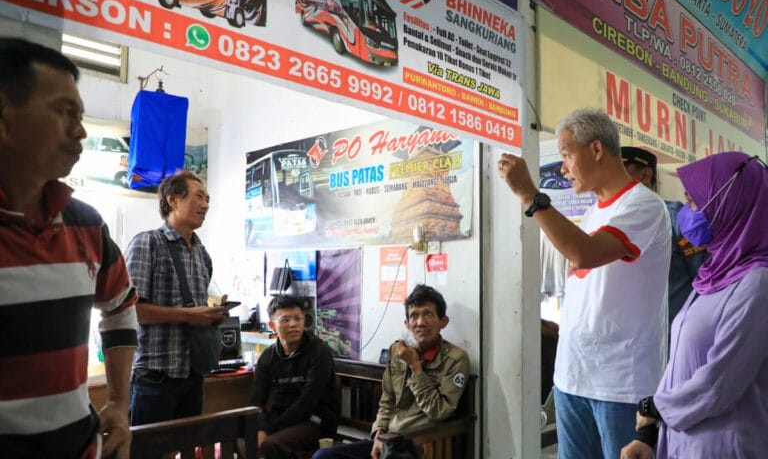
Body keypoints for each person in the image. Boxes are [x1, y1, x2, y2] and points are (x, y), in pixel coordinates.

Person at [497, 108, 671, 459]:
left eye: (565, 155)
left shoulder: (645, 206)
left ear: (595, 150)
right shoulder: (595, 211)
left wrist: (532, 196)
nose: (563, 167)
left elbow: (584, 254)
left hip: (620, 383)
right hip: (573, 375)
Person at [0, 37, 138, 458]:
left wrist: (117, 402)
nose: (80, 131)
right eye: (64, 112)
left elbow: (120, 306)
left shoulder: (86, 223)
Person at [621, 152, 768, 459]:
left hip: (725, 446)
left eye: (692, 203)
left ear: (732, 205)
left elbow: (719, 383)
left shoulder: (757, 284)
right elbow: (683, 361)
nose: (686, 215)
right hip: (684, 441)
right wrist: (649, 433)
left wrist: (659, 407)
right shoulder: (715, 273)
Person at [312, 284, 470, 459]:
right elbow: (387, 400)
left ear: (443, 322)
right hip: (388, 439)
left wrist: (415, 367)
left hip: (419, 444)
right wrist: (379, 434)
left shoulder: (456, 359)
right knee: (323, 456)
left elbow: (439, 412)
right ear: (407, 324)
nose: (420, 322)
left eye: (428, 314)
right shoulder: (397, 351)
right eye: (414, 316)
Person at [125, 170, 228, 425]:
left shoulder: (202, 254)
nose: (205, 205)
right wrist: (190, 315)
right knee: (145, 452)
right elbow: (131, 310)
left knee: (181, 448)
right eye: (199, 197)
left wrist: (213, 314)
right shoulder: (147, 243)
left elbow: (198, 311)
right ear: (173, 200)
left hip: (193, 374)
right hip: (156, 375)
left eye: (208, 199)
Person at [621, 146, 708, 326]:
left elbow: (704, 279)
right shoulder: (604, 221)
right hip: (624, 342)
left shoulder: (676, 218)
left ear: (646, 175)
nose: (611, 178)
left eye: (621, 171)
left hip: (669, 339)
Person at [248, 295, 338, 459]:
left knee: (270, 444)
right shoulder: (267, 357)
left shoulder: (319, 352)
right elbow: (256, 400)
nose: (293, 324)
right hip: (279, 420)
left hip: (314, 421)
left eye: (298, 318)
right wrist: (261, 428)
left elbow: (307, 401)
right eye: (285, 320)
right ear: (272, 325)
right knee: (242, 438)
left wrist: (269, 430)